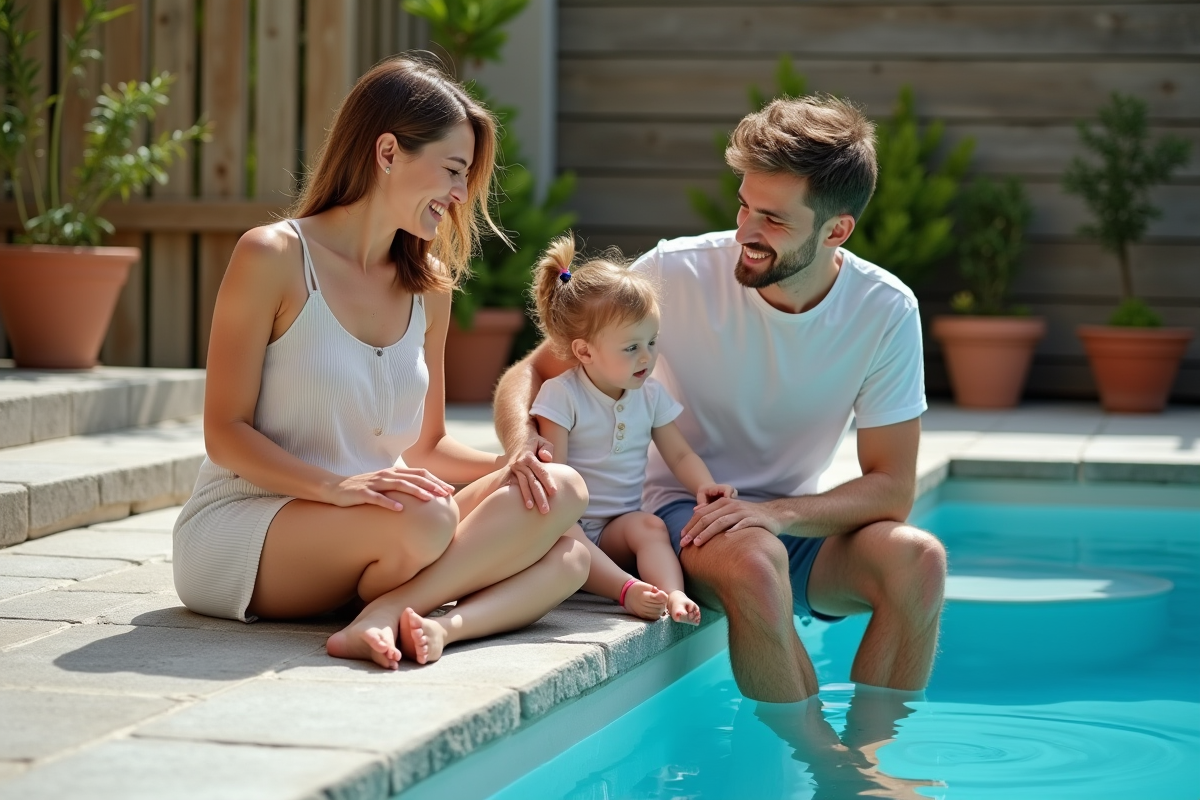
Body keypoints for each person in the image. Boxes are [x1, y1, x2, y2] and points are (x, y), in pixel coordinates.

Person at [494, 94, 947, 703]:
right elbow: (529, 373)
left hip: (788, 524)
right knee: (757, 562)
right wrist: (523, 446)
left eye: (774, 220)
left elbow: (893, 488)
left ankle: (867, 765)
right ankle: (820, 767)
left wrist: (778, 513)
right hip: (681, 514)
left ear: (837, 230)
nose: (746, 233)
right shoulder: (676, 273)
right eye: (744, 207)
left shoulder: (885, 309)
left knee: (919, 561)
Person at [172, 56, 590, 671]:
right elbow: (224, 432)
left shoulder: (430, 288)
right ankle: (403, 604)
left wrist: (513, 463)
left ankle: (396, 614)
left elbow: (426, 449)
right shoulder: (274, 257)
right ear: (388, 151)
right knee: (428, 520)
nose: (458, 195)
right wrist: (337, 488)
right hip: (250, 527)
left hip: (387, 522)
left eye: (465, 177)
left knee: (561, 498)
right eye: (452, 170)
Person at [527, 236, 735, 624]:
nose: (647, 356)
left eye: (652, 342)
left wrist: (703, 486)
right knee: (570, 549)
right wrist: (565, 523)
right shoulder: (562, 395)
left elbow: (680, 453)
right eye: (631, 347)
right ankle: (626, 589)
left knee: (650, 526)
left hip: (615, 527)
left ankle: (672, 594)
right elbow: (555, 478)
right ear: (585, 351)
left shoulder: (650, 395)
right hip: (567, 525)